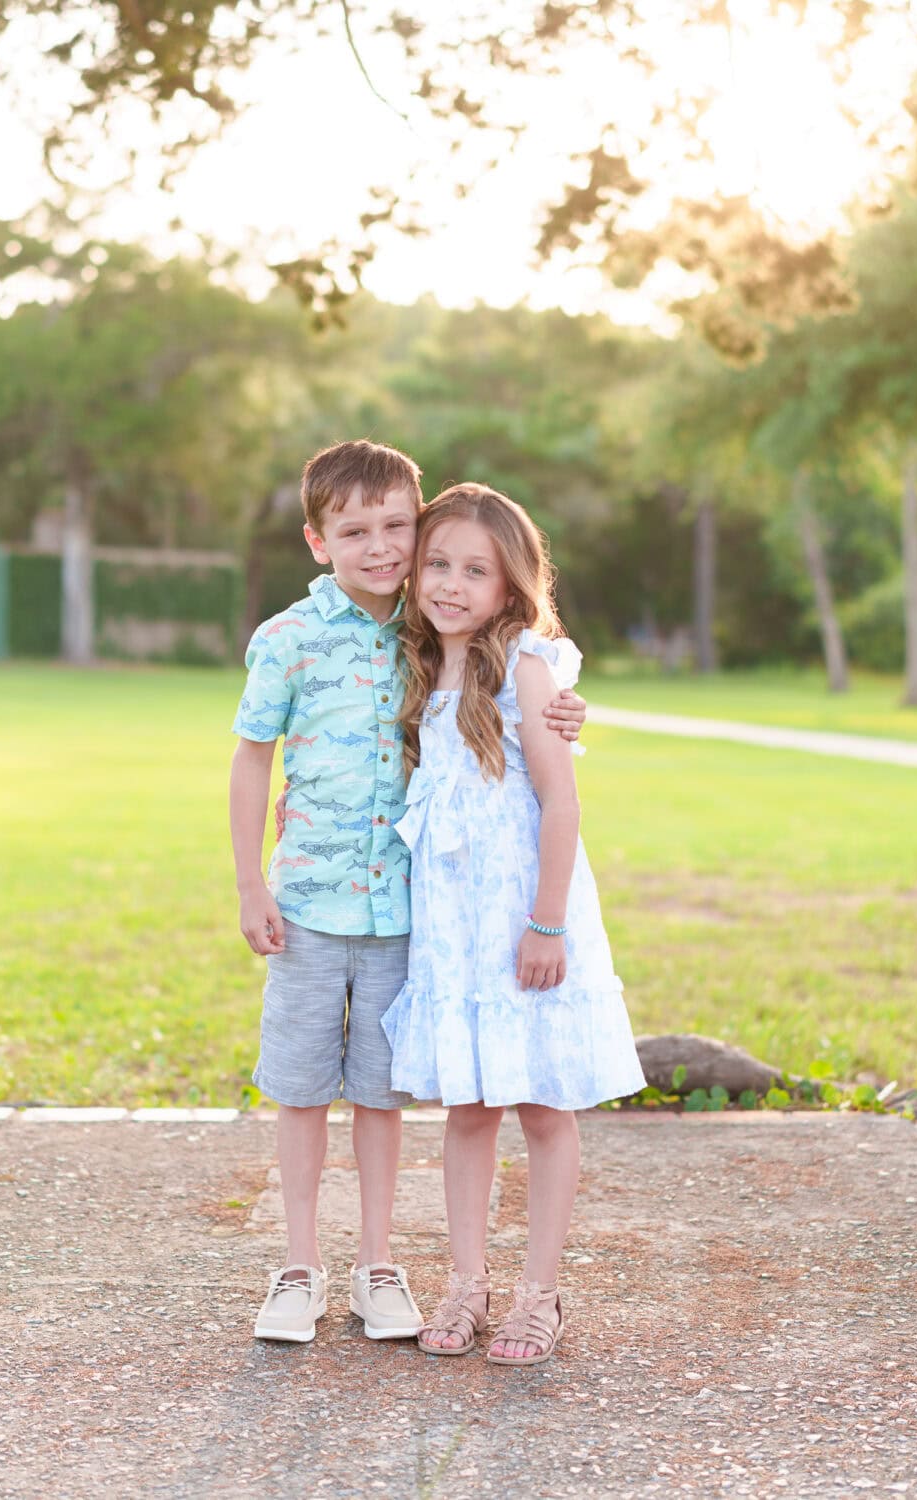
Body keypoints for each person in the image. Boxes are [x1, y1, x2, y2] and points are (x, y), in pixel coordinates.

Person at [229, 442, 587, 1344]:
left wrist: (571, 710)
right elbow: (254, 757)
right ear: (319, 540)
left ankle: (380, 1264)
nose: (384, 547)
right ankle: (300, 1265)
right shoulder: (293, 640)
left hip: (415, 915)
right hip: (313, 903)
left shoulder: (432, 639)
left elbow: (524, 701)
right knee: (304, 1087)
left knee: (384, 1095)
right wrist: (248, 880)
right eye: (358, 531)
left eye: (399, 527)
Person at [381, 482, 646, 1367]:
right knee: (467, 1108)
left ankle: (540, 1294)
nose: (452, 584)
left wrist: (547, 924)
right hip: (453, 934)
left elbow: (560, 803)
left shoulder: (524, 666)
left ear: (510, 587)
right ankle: (467, 1281)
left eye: (476, 571)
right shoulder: (420, 664)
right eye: (439, 564)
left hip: (530, 921)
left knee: (541, 1105)